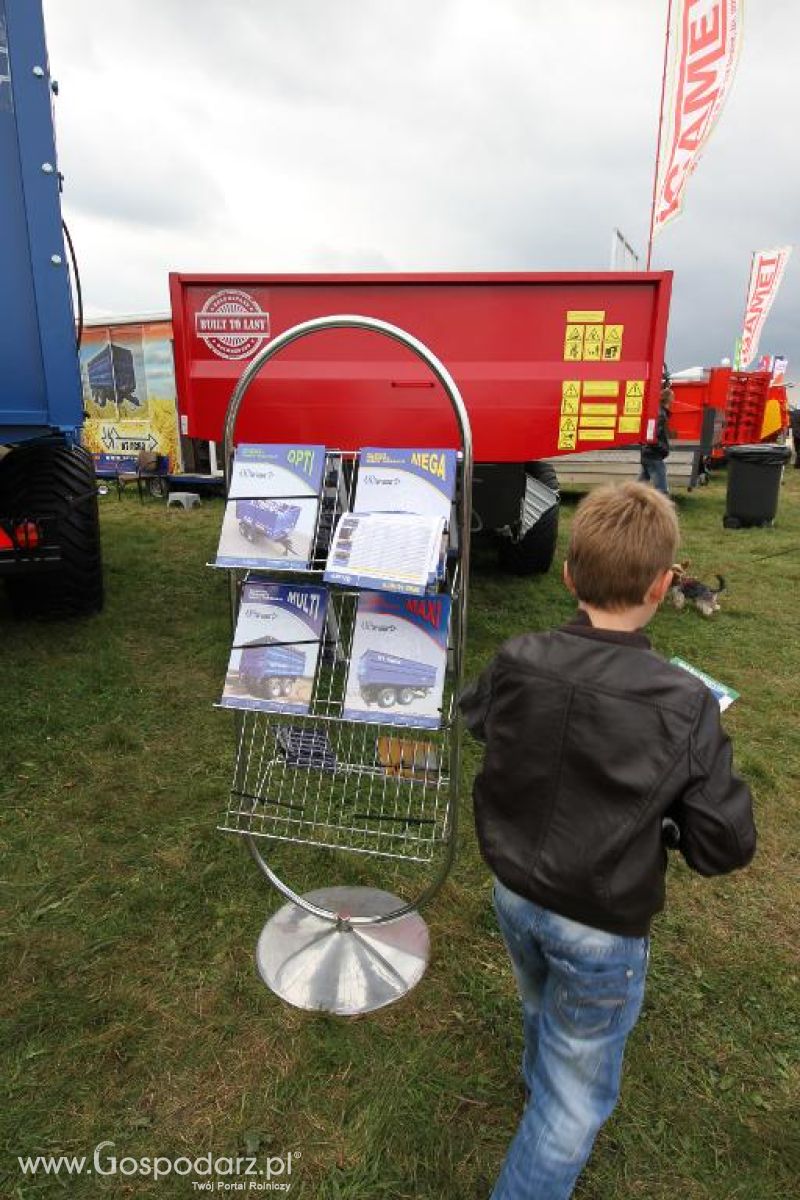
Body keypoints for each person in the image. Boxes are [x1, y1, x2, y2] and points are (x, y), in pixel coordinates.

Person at [460, 482, 756, 1200]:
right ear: (664, 585)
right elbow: (725, 842)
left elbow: (478, 718)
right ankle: (550, 1100)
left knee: (540, 999)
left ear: (568, 576)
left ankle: (543, 1080)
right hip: (596, 923)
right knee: (571, 1108)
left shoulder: (520, 656)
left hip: (515, 892)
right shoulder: (685, 705)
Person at [639, 386, 672, 494]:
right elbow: (652, 436)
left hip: (647, 454)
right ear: (669, 399)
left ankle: (627, 504)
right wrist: (663, 449)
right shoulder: (661, 415)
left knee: (639, 487)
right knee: (662, 490)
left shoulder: (656, 411)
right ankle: (663, 510)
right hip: (654, 455)